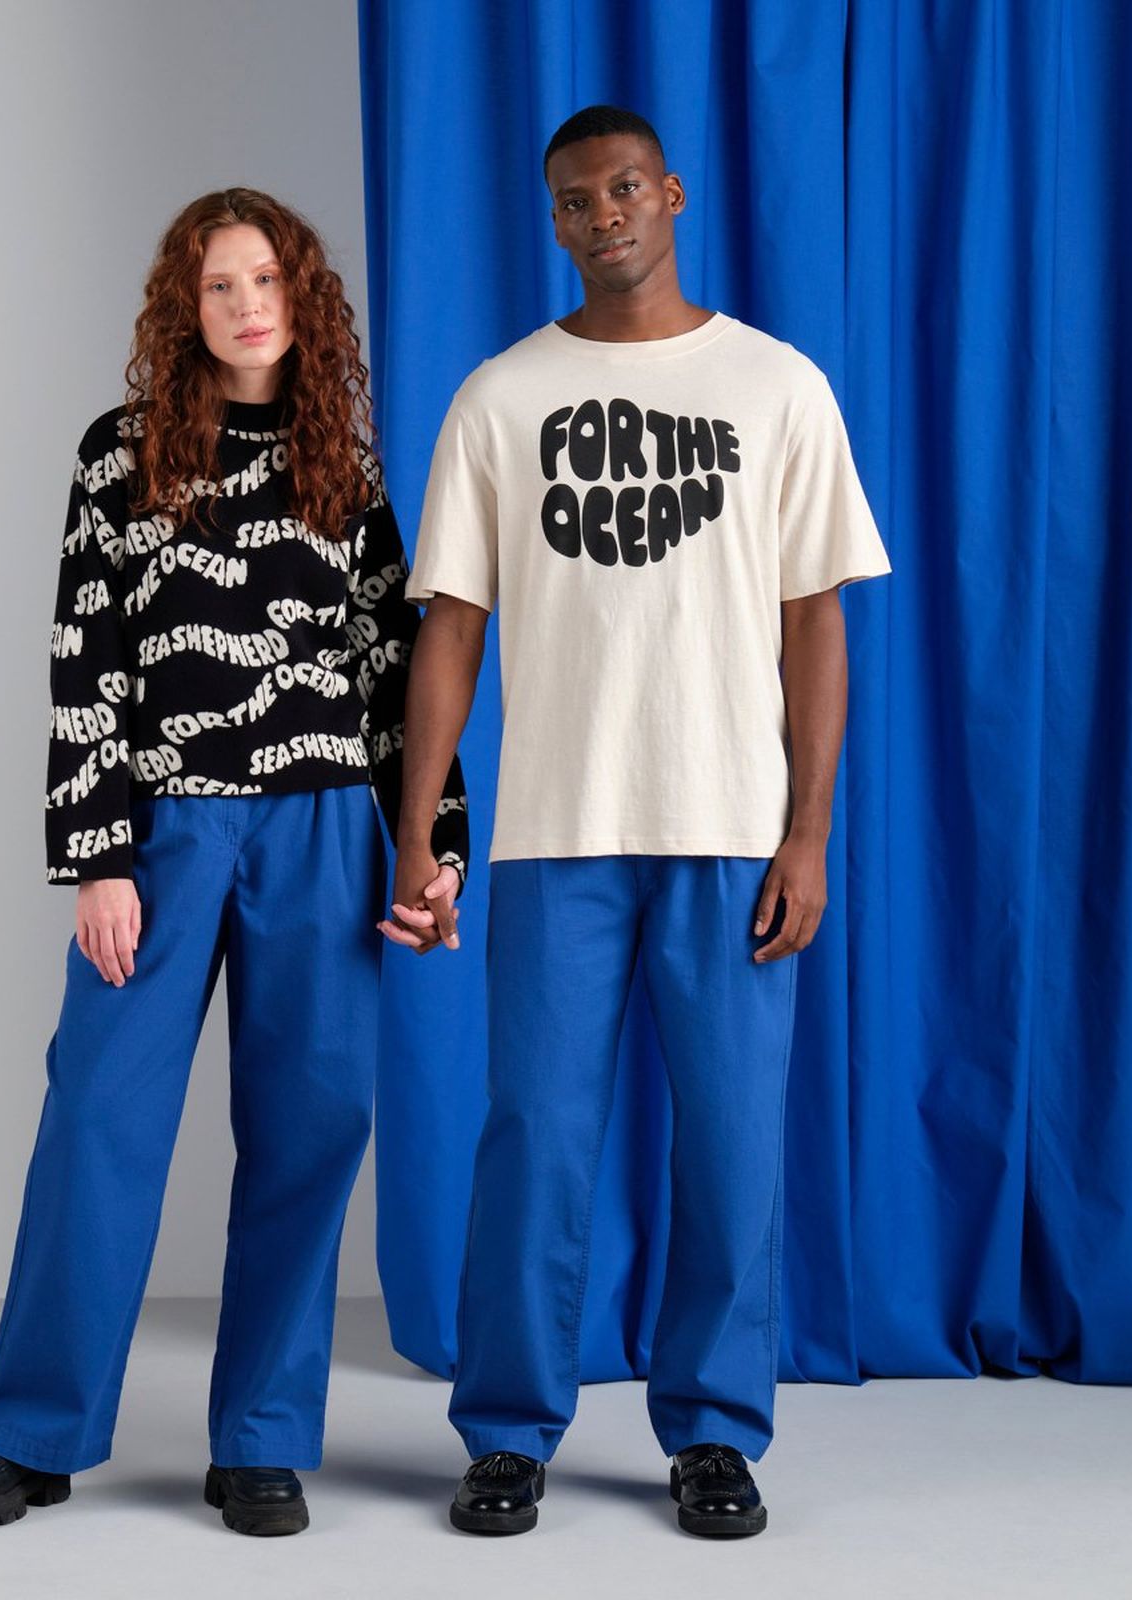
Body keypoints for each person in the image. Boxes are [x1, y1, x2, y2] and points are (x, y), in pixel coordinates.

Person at [0, 187, 469, 1537]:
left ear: (304, 298)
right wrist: (97, 857)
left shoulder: (345, 460)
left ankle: (261, 1441)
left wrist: (432, 846)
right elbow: (85, 656)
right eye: (219, 286)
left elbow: (399, 674)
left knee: (309, 1126)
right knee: (99, 1115)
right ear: (187, 305)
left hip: (326, 823)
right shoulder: (121, 457)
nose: (247, 306)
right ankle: (34, 1432)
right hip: (168, 827)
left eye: (267, 280)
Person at [383, 105, 892, 1538]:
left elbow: (817, 625)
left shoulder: (778, 387)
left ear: (669, 193)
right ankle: (506, 1431)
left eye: (623, 188)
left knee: (731, 1144)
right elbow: (449, 635)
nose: (602, 214)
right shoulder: (498, 399)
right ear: (551, 222)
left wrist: (809, 835)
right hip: (557, 830)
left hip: (732, 827)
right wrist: (416, 832)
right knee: (534, 1139)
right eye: (572, 200)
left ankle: (714, 1434)